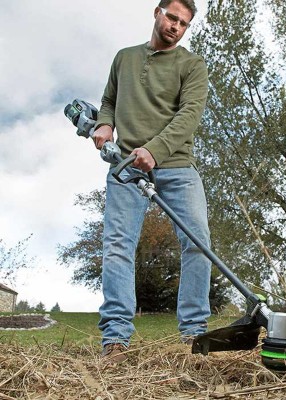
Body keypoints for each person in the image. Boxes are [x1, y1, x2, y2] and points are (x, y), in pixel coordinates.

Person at [92, 0, 211, 364]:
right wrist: (105, 124)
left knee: (198, 243)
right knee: (117, 246)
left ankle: (194, 334)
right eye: (172, 17)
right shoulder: (125, 58)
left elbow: (190, 114)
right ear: (157, 12)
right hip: (126, 165)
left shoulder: (192, 65)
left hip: (177, 165)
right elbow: (109, 100)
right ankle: (115, 338)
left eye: (184, 24)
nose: (176, 26)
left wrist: (155, 150)